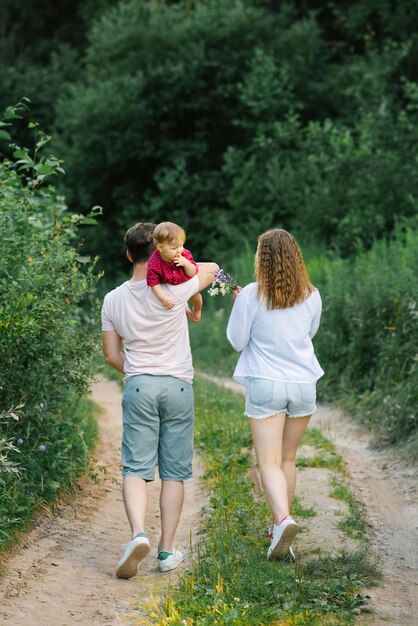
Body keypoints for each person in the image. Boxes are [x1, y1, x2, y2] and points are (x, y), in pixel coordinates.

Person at [101, 222, 218, 578]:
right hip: (178, 385)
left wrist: (137, 373)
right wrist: (185, 259)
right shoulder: (177, 288)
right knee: (174, 472)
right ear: (156, 250)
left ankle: (138, 534)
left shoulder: (113, 299)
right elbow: (212, 271)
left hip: (139, 384)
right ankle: (166, 550)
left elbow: (110, 355)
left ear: (127, 255)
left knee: (135, 468)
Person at [226, 229, 324, 561]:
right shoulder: (312, 294)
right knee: (287, 459)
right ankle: (280, 532)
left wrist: (241, 304)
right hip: (302, 384)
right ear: (296, 256)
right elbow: (309, 334)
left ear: (261, 257)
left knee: (267, 461)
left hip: (267, 383)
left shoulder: (251, 295)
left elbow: (237, 341)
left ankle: (283, 520)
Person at [147, 222, 200, 318]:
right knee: (176, 302)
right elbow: (153, 283)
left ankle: (197, 312)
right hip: (170, 285)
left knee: (197, 298)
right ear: (160, 247)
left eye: (181, 245)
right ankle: (185, 306)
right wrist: (163, 299)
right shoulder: (154, 263)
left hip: (186, 282)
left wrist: (186, 263)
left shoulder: (184, 254)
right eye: (174, 248)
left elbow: (192, 272)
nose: (179, 250)